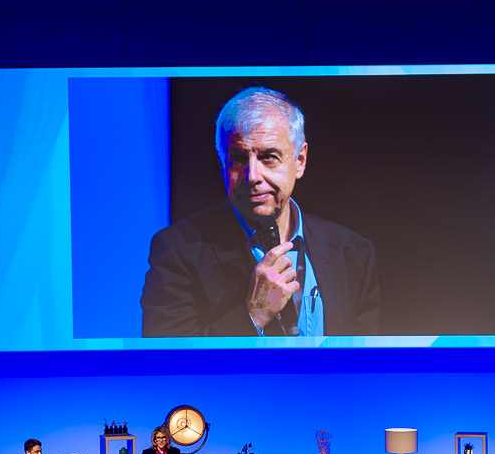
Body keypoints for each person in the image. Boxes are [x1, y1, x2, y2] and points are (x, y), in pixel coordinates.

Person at [140, 86, 381, 338]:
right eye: (238, 158)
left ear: (300, 161)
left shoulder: (352, 252)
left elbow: (364, 365)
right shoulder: (177, 250)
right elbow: (169, 362)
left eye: (268, 157)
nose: (252, 176)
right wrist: (254, 314)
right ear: (222, 164)